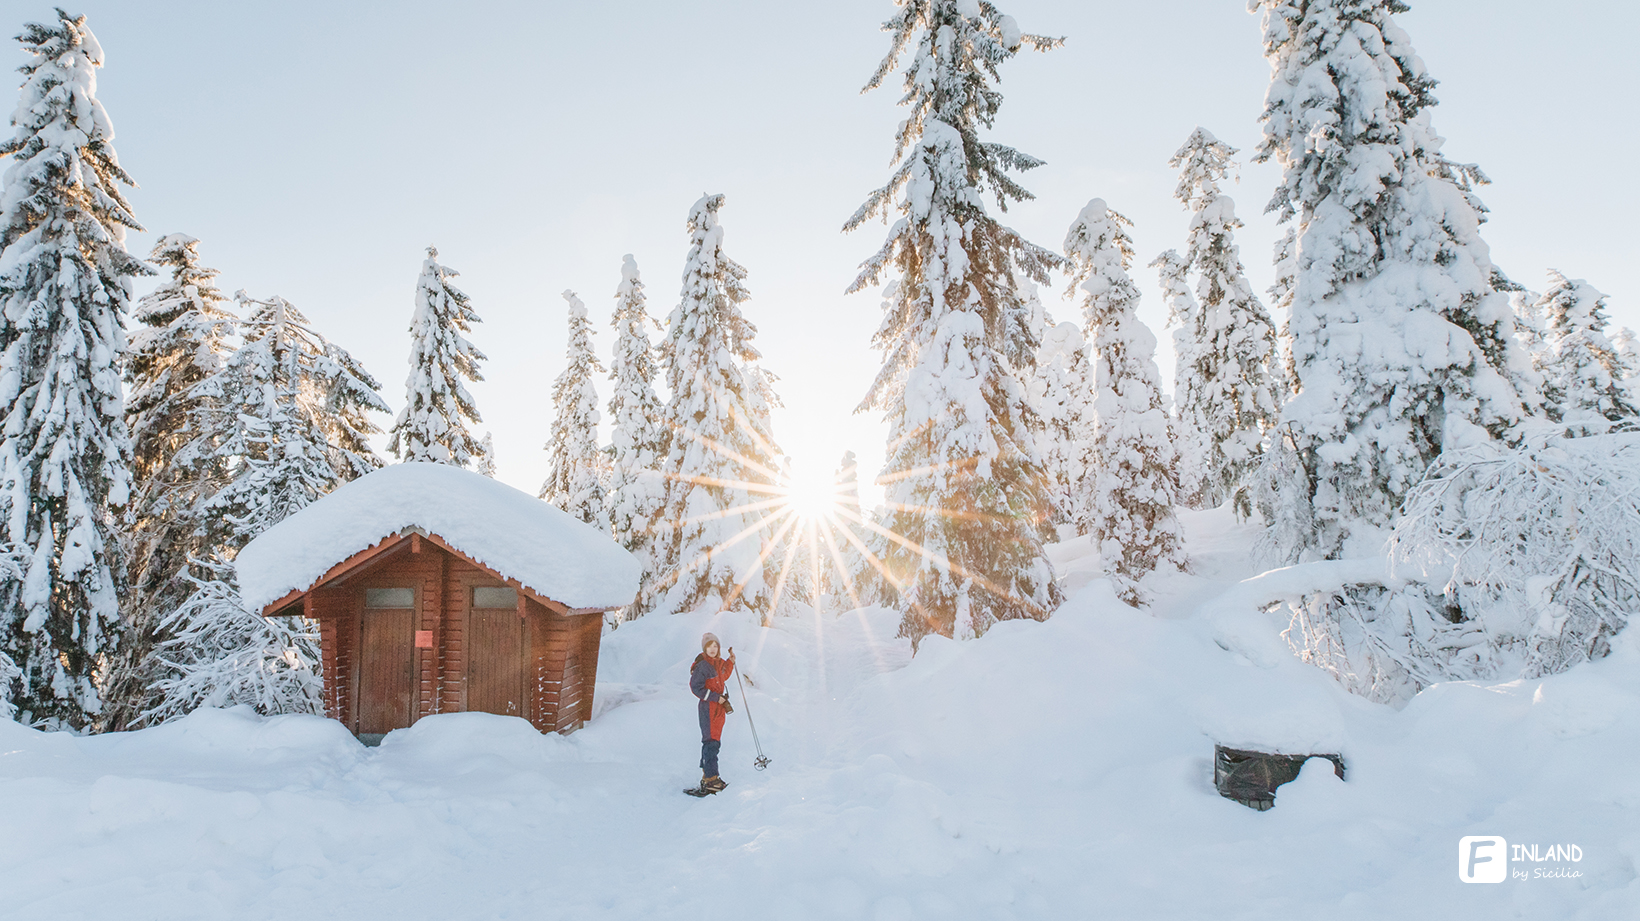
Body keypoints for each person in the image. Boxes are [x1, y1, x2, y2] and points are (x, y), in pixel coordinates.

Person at [689, 632, 736, 793]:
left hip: (718, 709)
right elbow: (696, 688)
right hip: (708, 709)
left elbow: (724, 676)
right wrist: (716, 698)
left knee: (714, 742)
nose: (713, 649)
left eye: (715, 645)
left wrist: (730, 662)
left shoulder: (717, 663)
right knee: (710, 743)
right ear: (704, 648)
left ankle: (708, 776)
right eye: (709, 646)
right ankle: (711, 779)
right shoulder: (702, 666)